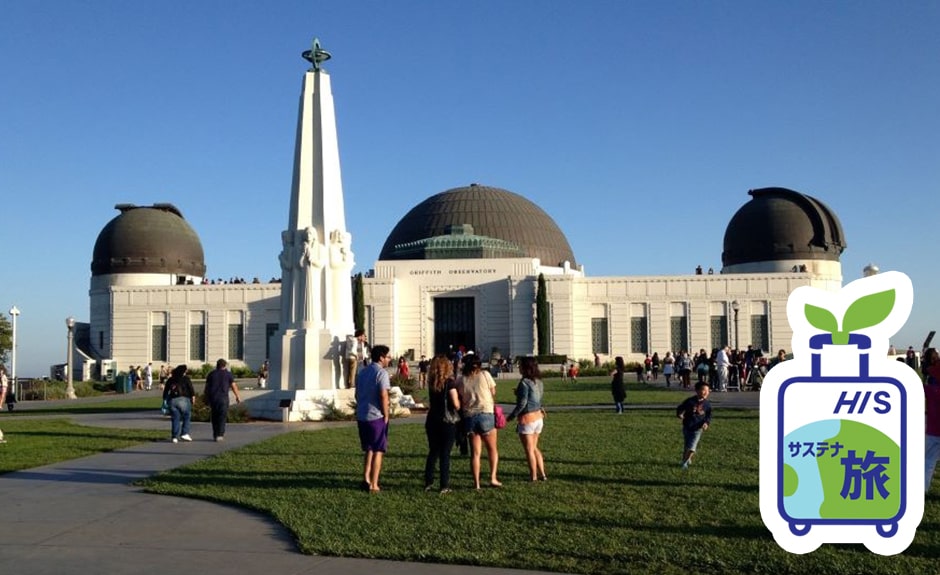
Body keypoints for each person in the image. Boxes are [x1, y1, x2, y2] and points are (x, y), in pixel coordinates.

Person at [458, 354, 501, 489]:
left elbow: (460, 397)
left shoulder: (461, 380)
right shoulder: (485, 375)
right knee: (492, 449)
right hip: (486, 414)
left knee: (475, 454)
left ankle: (476, 483)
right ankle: (493, 477)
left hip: (469, 417)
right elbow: (493, 392)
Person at [356, 345, 392, 492]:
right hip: (376, 416)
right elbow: (383, 395)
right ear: (381, 358)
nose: (389, 359)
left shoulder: (362, 372)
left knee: (369, 449)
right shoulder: (381, 373)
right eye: (388, 357)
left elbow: (356, 394)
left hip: (362, 415)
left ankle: (366, 478)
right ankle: (374, 484)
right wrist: (386, 415)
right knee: (378, 450)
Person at [423, 355, 460, 493]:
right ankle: (444, 485)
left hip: (432, 420)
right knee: (445, 454)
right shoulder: (450, 383)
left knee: (433, 452)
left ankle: (428, 482)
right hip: (447, 421)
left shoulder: (432, 382)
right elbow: (455, 404)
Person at [507, 357, 547, 482]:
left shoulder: (524, 382)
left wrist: (512, 416)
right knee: (535, 447)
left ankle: (533, 476)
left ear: (526, 368)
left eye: (520, 365)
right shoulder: (539, 381)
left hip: (527, 418)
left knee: (529, 449)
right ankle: (543, 474)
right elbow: (536, 398)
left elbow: (522, 403)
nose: (518, 367)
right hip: (538, 417)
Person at [676, 381, 712, 469]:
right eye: (704, 390)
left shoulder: (707, 404)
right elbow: (680, 408)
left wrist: (706, 423)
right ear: (697, 390)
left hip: (698, 428)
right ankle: (687, 458)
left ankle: (684, 463)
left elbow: (708, 416)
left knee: (692, 446)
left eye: (708, 390)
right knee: (687, 445)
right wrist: (680, 414)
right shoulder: (690, 401)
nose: (706, 392)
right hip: (687, 426)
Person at [204, 358, 241, 442]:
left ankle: (215, 433)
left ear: (217, 365)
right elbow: (233, 386)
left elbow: (207, 388)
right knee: (222, 416)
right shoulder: (228, 374)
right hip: (223, 398)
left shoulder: (211, 374)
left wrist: (206, 398)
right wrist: (237, 396)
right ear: (225, 365)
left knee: (214, 417)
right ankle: (220, 435)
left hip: (213, 398)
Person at [163, 364, 195, 443]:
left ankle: (174, 436)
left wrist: (165, 400)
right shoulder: (186, 379)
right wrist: (193, 397)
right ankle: (184, 433)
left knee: (175, 418)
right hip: (184, 399)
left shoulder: (171, 379)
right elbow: (191, 388)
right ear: (184, 371)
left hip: (172, 400)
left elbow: (166, 391)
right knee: (186, 416)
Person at [924, 348, 940, 492]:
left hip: (933, 430)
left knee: (928, 461)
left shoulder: (929, 389)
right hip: (932, 430)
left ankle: (923, 488)